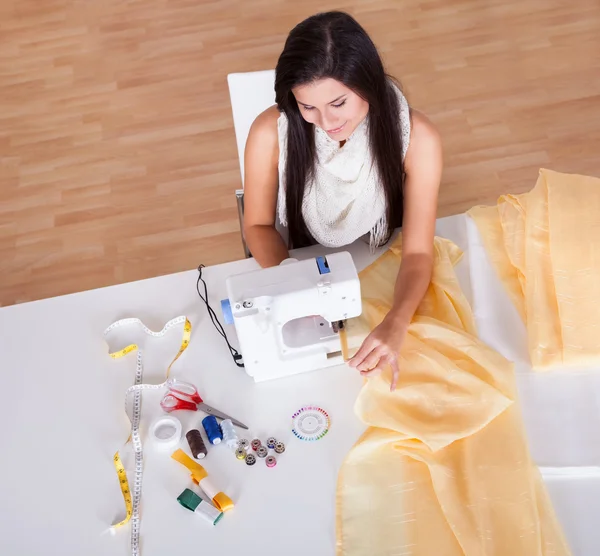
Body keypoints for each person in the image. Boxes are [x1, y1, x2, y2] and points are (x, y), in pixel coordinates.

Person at [242, 11, 442, 391]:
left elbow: (417, 254)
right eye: (307, 107)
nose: (327, 121)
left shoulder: (419, 138)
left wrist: (396, 324)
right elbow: (257, 225)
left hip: (381, 255)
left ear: (367, 84)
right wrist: (297, 284)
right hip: (299, 256)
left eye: (338, 102)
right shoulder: (271, 132)